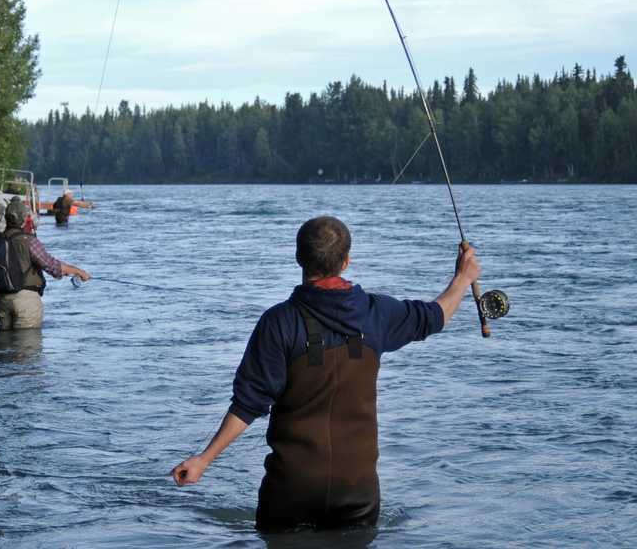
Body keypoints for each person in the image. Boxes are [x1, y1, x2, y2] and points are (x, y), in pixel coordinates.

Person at [170, 215, 481, 532]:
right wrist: (462, 278)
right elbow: (436, 316)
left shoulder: (278, 322)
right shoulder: (377, 314)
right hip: (357, 493)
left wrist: (204, 460)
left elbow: (247, 405)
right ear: (346, 261)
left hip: (290, 493)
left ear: (298, 258)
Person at [0, 197, 90, 329]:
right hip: (26, 302)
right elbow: (51, 266)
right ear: (24, 218)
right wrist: (78, 272)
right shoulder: (29, 241)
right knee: (27, 345)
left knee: (6, 346)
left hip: (2, 301)